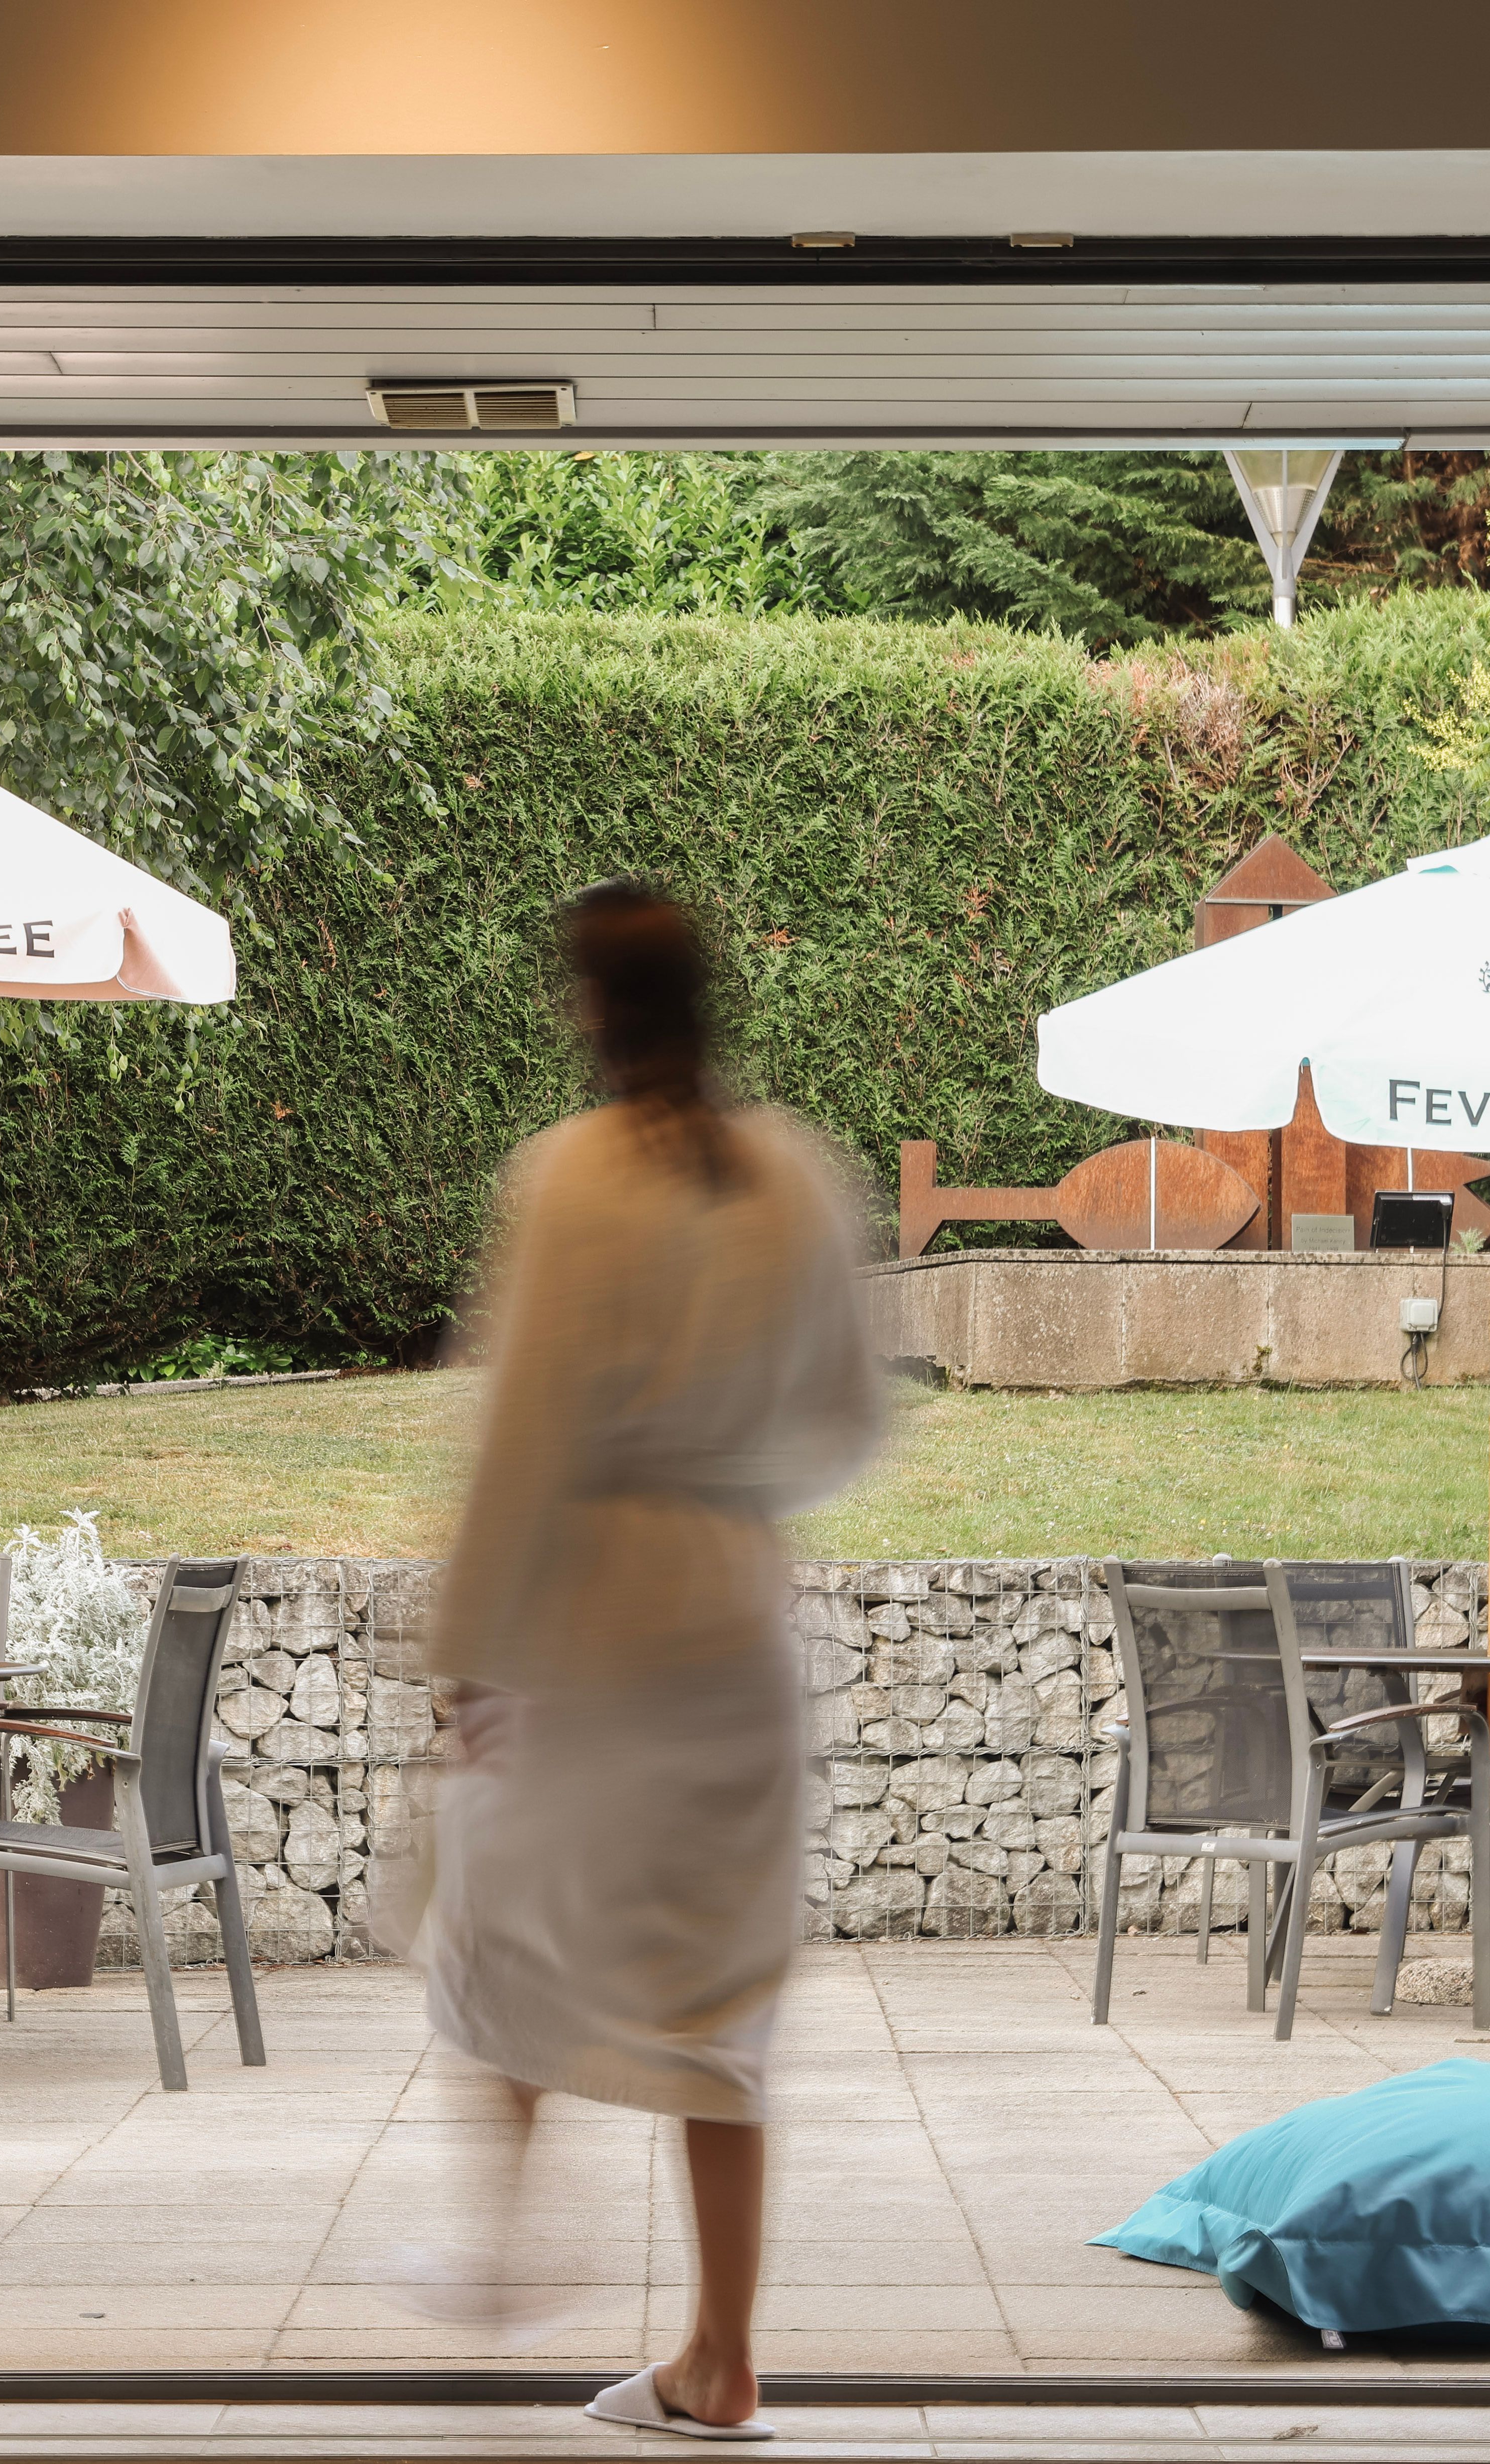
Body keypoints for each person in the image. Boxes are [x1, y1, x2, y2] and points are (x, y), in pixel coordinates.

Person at [401, 880, 885, 2439]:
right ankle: (719, 2352)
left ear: (587, 1010)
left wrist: (471, 1654)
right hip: (736, 1618)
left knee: (495, 1909)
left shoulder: (571, 1181)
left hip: (592, 1616)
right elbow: (851, 1422)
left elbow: (525, 1428)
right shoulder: (798, 1177)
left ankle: (497, 2248)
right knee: (716, 2000)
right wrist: (731, 1474)